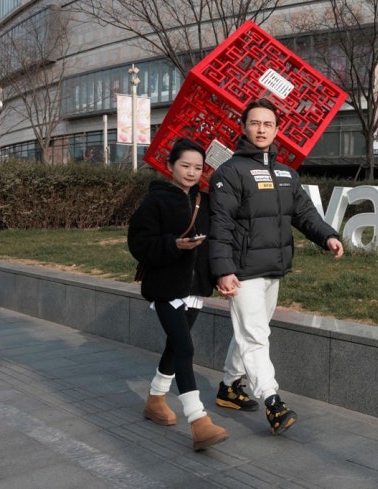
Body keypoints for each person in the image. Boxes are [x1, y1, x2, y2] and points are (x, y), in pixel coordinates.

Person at [209, 98, 344, 435]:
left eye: (268, 124)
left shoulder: (286, 174)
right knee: (255, 336)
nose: (261, 129)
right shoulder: (230, 172)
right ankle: (272, 401)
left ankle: (228, 387)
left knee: (251, 331)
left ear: (276, 130)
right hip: (242, 271)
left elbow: (304, 214)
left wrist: (327, 236)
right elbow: (220, 225)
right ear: (243, 127)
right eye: (255, 123)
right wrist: (223, 269)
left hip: (273, 268)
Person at [127, 138, 229, 451]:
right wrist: (173, 245)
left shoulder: (207, 200)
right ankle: (198, 421)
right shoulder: (154, 202)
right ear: (170, 166)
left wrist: (221, 276)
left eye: (198, 167)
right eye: (185, 165)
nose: (191, 172)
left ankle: (156, 399)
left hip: (196, 288)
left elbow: (217, 239)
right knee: (185, 348)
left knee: (175, 346)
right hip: (166, 288)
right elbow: (139, 245)